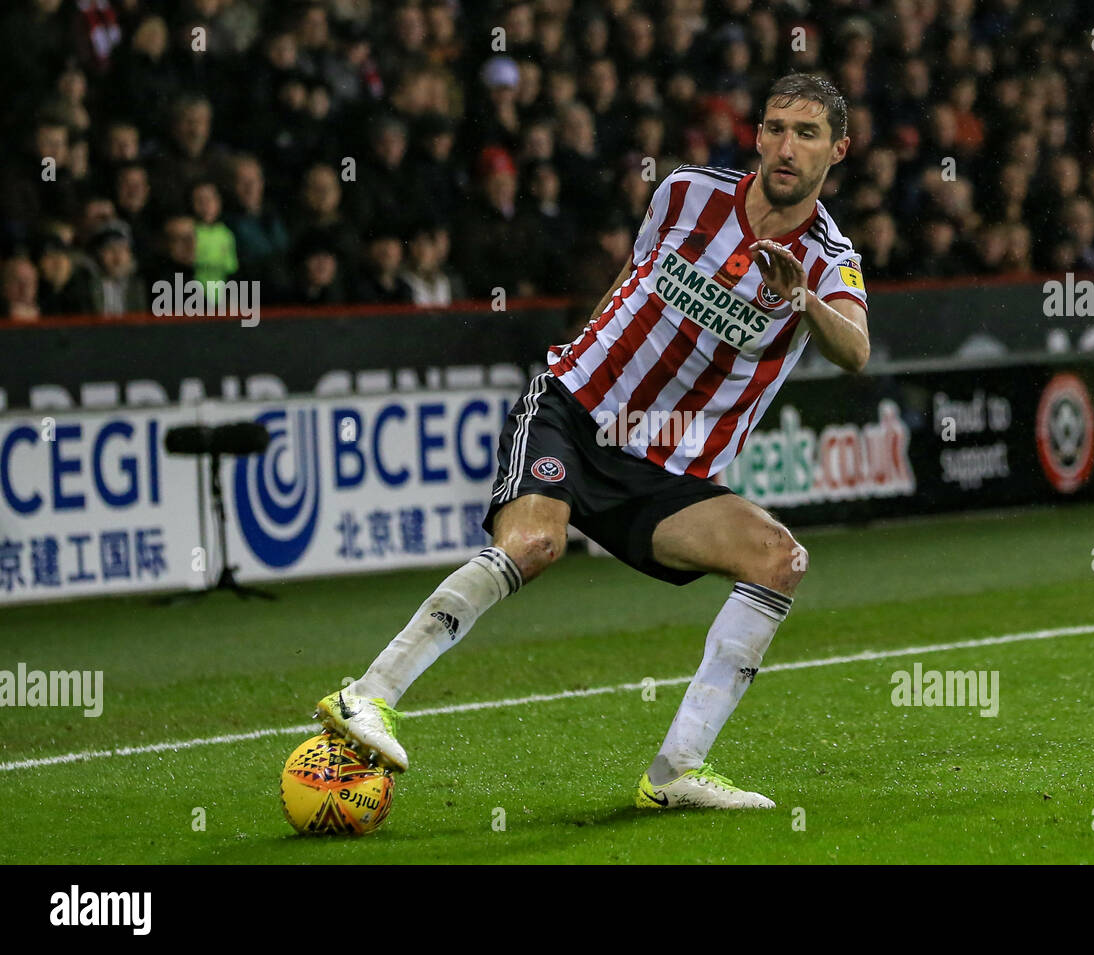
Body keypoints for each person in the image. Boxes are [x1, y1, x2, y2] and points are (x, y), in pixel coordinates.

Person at [315, 73, 871, 811]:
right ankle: (367, 693)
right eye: (773, 127)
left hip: (668, 469)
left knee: (779, 558)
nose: (785, 146)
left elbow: (856, 349)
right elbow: (632, 274)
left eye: (805, 133)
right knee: (536, 544)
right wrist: (584, 355)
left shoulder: (831, 253)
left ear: (839, 148)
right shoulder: (686, 191)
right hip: (577, 410)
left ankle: (675, 773)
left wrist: (802, 298)